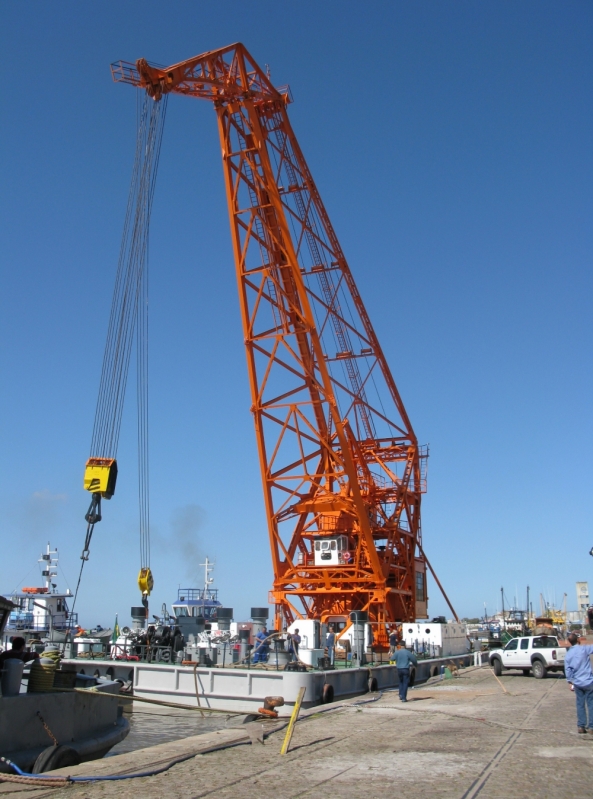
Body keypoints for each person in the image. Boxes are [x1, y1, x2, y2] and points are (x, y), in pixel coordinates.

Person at [565, 632, 593, 734]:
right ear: (578, 640)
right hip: (589, 681)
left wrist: (569, 681)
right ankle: (591, 727)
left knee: (580, 704)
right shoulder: (584, 649)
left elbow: (567, 669)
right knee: (591, 704)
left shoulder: (568, 654)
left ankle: (581, 726)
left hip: (577, 682)